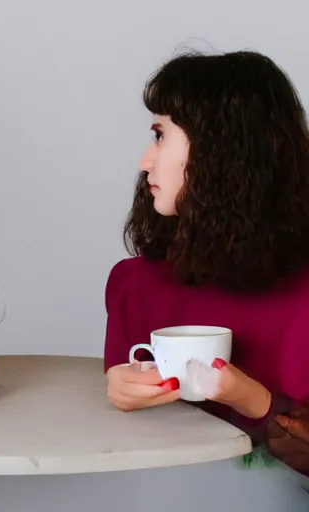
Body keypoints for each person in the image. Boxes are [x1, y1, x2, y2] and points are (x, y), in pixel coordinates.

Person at [103, 50, 309, 482]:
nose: (145, 162)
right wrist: (120, 386)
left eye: (160, 135)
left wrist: (251, 399)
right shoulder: (133, 285)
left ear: (224, 152)